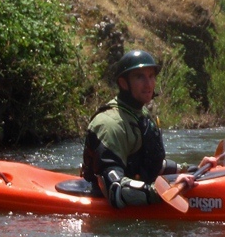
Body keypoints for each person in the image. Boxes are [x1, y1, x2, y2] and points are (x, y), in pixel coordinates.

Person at [81, 49, 213, 208]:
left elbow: (150, 164)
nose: (148, 84)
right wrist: (160, 192)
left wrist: (193, 169)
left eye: (151, 76)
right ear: (123, 83)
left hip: (143, 190)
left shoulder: (140, 114)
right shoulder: (110, 124)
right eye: (140, 77)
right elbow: (115, 189)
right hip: (107, 201)